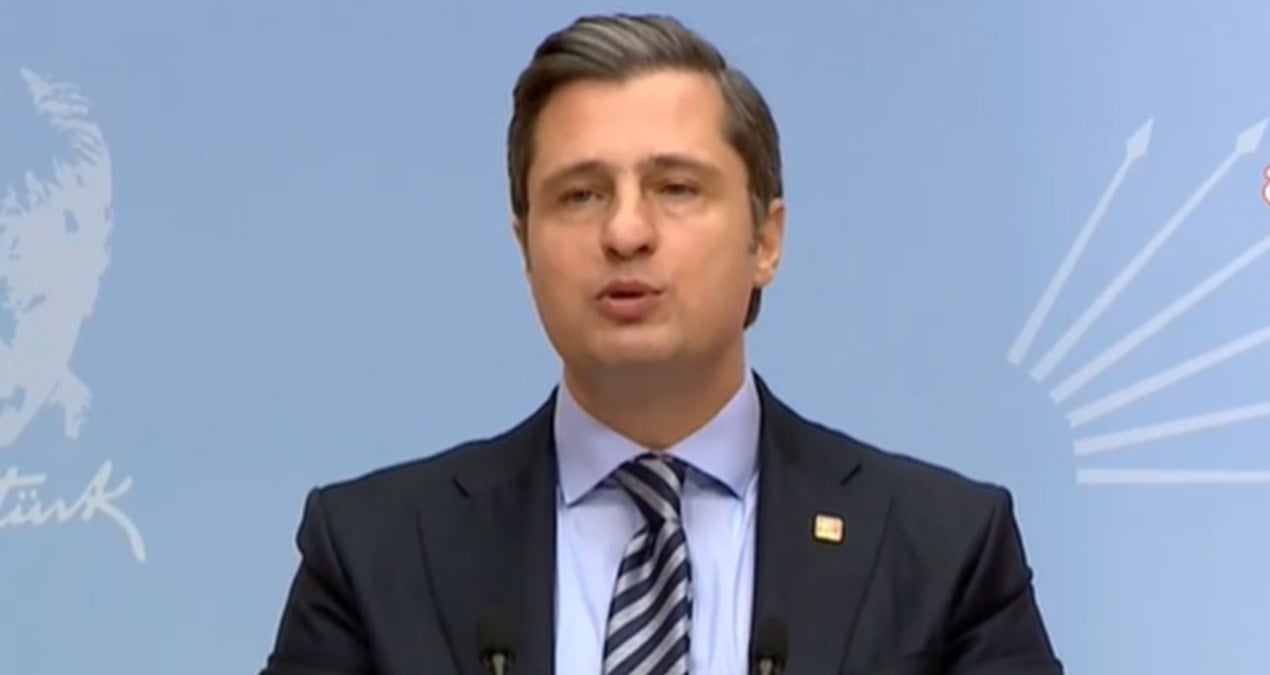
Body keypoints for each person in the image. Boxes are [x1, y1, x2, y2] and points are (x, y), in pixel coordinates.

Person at [261, 12, 1062, 675]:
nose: (625, 231)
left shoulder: (943, 550)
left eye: (676, 188)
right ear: (525, 245)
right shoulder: (376, 553)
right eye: (581, 194)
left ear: (765, 240)